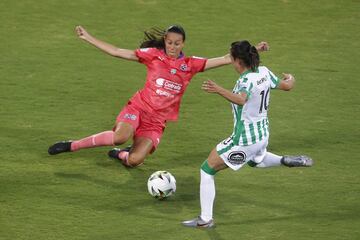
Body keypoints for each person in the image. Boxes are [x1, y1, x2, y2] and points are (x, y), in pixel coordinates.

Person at [48, 25, 269, 167]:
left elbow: (225, 58)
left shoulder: (190, 65)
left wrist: (254, 50)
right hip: (138, 107)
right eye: (169, 42)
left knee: (134, 161)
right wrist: (88, 37)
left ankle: (121, 155)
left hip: (156, 122)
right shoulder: (152, 56)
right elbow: (116, 51)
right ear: (165, 41)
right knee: (120, 136)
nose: (172, 47)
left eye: (177, 43)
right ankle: (72, 145)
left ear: (183, 43)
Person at [182, 40, 313, 228]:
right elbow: (288, 86)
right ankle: (285, 160)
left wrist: (218, 89)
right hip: (262, 134)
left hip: (243, 140)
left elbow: (241, 99)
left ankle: (205, 219)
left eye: (232, 58)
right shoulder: (264, 72)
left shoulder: (245, 81)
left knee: (207, 169)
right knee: (254, 161)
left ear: (238, 61)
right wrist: (291, 78)